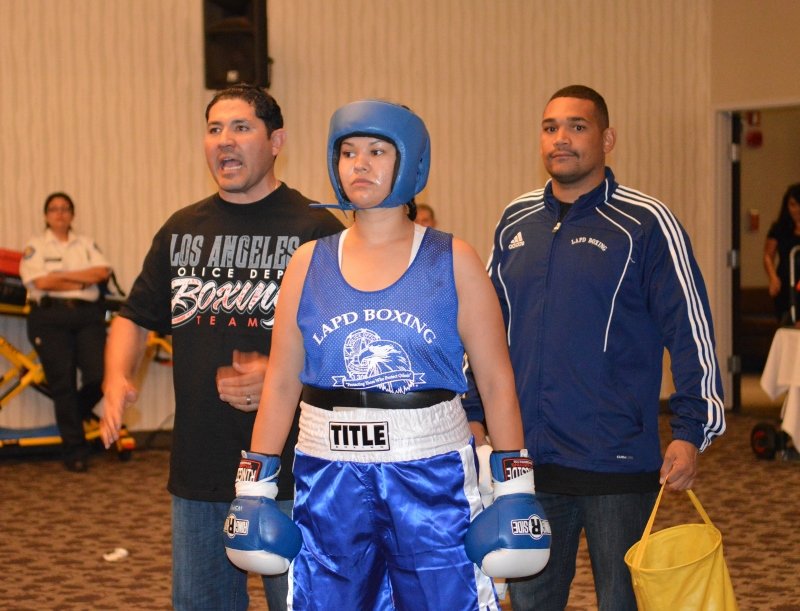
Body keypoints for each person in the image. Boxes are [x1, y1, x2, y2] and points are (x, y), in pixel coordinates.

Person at [222, 100, 550, 610]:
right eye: (348, 152)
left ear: (410, 161)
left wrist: (514, 489)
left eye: (377, 151)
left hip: (430, 474)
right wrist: (254, 487)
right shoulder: (307, 263)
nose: (360, 164)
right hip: (327, 473)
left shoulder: (453, 259)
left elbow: (495, 380)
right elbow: (283, 381)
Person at [462, 85, 726, 611]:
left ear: (607, 140)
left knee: (622, 602)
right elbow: (484, 325)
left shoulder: (646, 223)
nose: (560, 138)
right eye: (550, 127)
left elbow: (690, 330)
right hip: (526, 466)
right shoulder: (515, 220)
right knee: (532, 603)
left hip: (618, 465)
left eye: (577, 127)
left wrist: (691, 431)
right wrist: (472, 410)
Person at [99, 84, 344, 611]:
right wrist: (116, 378)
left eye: (241, 127)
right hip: (201, 469)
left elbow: (350, 345)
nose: (224, 140)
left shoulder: (316, 230)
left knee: (305, 604)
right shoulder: (183, 229)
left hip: (295, 472)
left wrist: (283, 376)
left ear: (276, 141)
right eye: (214, 129)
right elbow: (134, 317)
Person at [19, 192, 111, 472]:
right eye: (54, 209)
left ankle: (73, 415)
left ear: (72, 214)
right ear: (46, 215)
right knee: (64, 384)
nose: (59, 213)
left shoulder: (86, 244)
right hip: (49, 318)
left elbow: (101, 273)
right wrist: (80, 279)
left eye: (65, 208)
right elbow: (39, 282)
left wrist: (59, 277)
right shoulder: (36, 246)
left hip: (87, 316)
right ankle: (75, 451)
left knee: (99, 376)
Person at [763, 183, 800, 324]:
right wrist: (773, 278)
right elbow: (768, 255)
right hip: (786, 283)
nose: (796, 209)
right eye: (793, 205)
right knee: (788, 319)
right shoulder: (779, 228)